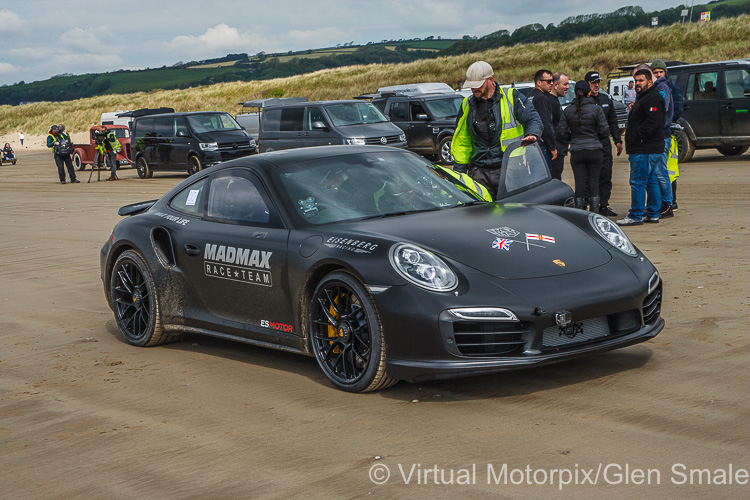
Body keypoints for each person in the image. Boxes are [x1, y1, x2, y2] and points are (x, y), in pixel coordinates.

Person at [451, 61, 543, 198]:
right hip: (479, 172)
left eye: (478, 86)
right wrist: (459, 173)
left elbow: (533, 117)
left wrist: (532, 133)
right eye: (471, 86)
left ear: (490, 80)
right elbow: (462, 142)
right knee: (482, 215)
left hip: (510, 169)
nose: (473, 89)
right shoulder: (467, 105)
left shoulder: (512, 97)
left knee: (513, 212)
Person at [617, 69, 665, 226]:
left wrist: (637, 136)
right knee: (651, 181)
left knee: (638, 182)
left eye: (641, 80)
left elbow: (653, 122)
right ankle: (652, 213)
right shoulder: (644, 97)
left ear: (649, 82)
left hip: (645, 149)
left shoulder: (652, 98)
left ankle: (636, 215)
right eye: (636, 80)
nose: (637, 83)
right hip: (648, 148)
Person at [556, 80, 610, 211]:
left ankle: (580, 212)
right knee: (594, 182)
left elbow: (560, 132)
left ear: (575, 94)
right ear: (589, 93)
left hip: (577, 150)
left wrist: (572, 138)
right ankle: (595, 212)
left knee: (579, 183)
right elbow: (605, 131)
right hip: (595, 150)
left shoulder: (568, 110)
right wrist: (596, 137)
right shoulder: (596, 109)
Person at [584, 71, 623, 216]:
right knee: (590, 177)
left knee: (606, 176)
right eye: (593, 82)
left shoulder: (605, 99)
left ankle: (604, 205)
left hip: (604, 144)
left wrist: (617, 140)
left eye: (598, 82)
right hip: (589, 144)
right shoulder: (583, 101)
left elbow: (613, 121)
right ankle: (589, 205)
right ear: (587, 83)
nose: (596, 85)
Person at [649, 59, 675, 219]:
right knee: (658, 171)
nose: (658, 75)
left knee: (660, 171)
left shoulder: (661, 87)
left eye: (661, 72)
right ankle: (662, 203)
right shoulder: (660, 86)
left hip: (662, 134)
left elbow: (661, 109)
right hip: (662, 133)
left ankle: (667, 204)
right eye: (656, 72)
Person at [527, 68, 557, 165]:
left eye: (552, 81)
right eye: (548, 81)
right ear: (539, 82)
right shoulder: (541, 98)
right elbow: (545, 124)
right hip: (541, 146)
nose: (551, 84)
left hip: (531, 144)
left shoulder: (530, 95)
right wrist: (552, 147)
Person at [548, 72, 570, 180]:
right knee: (555, 179)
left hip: (559, 149)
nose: (568, 87)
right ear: (555, 85)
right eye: (565, 84)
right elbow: (549, 126)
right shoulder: (551, 102)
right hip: (554, 151)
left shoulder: (555, 101)